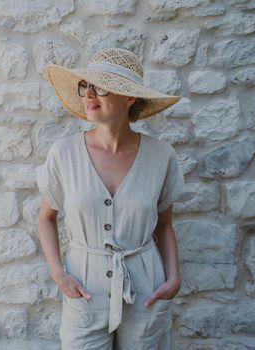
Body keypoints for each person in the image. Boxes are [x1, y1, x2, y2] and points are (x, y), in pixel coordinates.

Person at [36, 47, 185, 349]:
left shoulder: (161, 157)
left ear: (129, 97)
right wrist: (58, 274)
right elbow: (46, 218)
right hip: (84, 288)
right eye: (85, 86)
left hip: (146, 288)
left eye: (100, 87)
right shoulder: (64, 154)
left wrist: (173, 279)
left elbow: (165, 225)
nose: (89, 94)